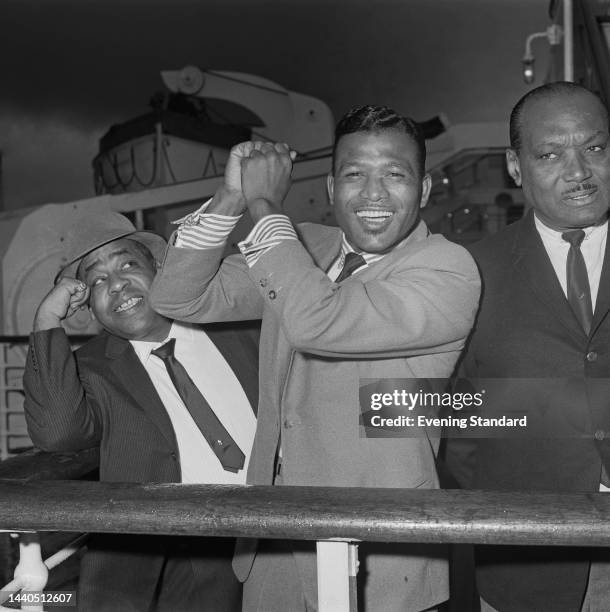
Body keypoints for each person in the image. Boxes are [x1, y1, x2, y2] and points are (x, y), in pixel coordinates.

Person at [150, 105, 481, 612]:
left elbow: (316, 322)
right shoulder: (304, 244)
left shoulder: (448, 269)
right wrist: (233, 195)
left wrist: (264, 202)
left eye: (395, 174)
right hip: (276, 541)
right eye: (354, 175)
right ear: (330, 189)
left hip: (381, 553)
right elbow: (176, 296)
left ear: (426, 189)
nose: (373, 194)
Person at [23, 211, 260, 612]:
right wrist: (46, 319)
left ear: (161, 269)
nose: (116, 284)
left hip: (281, 531)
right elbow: (58, 433)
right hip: (186, 556)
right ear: (89, 307)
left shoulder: (240, 325)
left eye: (128, 264)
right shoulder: (90, 371)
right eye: (97, 280)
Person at [445, 81, 610, 612]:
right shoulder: (470, 271)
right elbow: (452, 416)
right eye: (550, 154)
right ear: (516, 168)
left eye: (596, 148)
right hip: (528, 564)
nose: (580, 171)